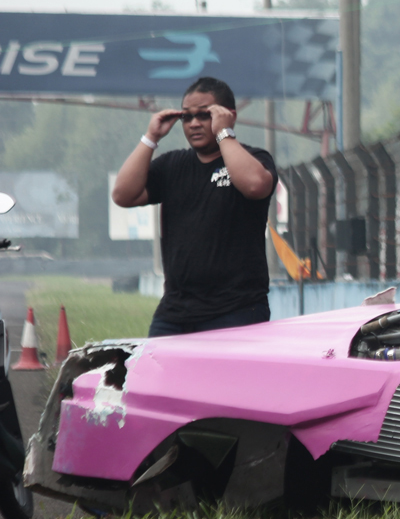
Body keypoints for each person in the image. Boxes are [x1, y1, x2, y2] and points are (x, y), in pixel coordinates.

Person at [112, 77, 278, 337]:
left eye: (205, 115)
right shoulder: (172, 165)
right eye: (187, 117)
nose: (194, 123)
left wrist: (225, 133)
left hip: (237, 311)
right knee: (158, 377)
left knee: (228, 380)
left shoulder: (254, 159)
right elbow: (123, 195)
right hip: (175, 313)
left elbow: (256, 185)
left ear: (228, 115)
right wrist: (151, 137)